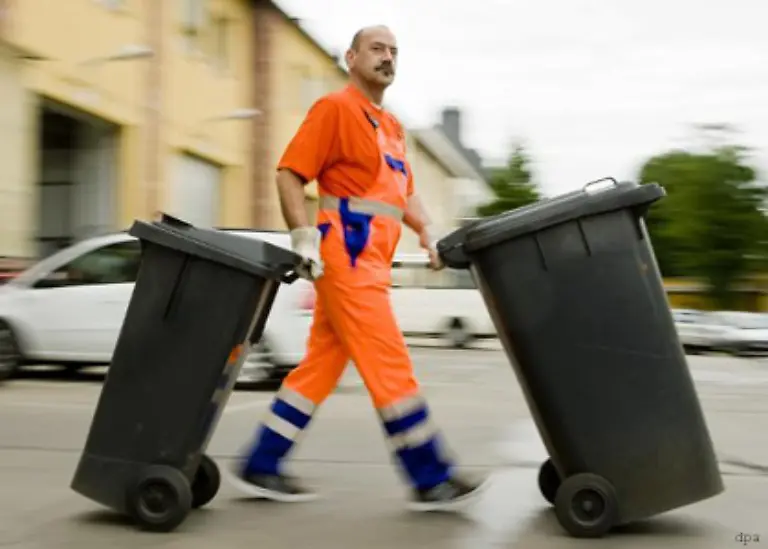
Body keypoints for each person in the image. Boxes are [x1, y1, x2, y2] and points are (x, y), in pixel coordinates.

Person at [229, 25, 488, 512]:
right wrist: (302, 235)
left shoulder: (390, 127)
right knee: (389, 363)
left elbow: (403, 193)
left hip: (371, 261)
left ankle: (263, 461)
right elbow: (290, 172)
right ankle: (430, 474)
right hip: (346, 258)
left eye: (393, 51)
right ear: (352, 58)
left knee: (319, 368)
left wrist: (428, 232)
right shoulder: (335, 109)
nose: (387, 57)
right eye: (376, 49)